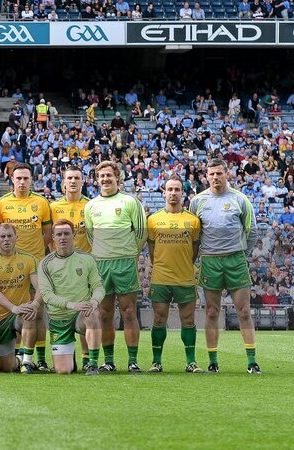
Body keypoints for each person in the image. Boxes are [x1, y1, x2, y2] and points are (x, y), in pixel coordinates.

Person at [189, 159, 261, 374]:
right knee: (211, 312)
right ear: (206, 176)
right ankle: (213, 361)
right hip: (210, 261)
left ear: (226, 174)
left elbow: (253, 231)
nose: (215, 177)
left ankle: (251, 361)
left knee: (244, 311)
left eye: (219, 173)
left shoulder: (240, 199)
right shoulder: (197, 201)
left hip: (235, 260)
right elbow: (194, 235)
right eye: (211, 174)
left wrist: (242, 256)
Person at [83, 161, 146, 373]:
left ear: (117, 177)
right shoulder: (90, 206)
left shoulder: (130, 202)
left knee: (129, 312)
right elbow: (91, 235)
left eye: (109, 175)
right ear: (96, 179)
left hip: (125, 262)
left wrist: (129, 253)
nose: (105, 179)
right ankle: (108, 360)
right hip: (101, 264)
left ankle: (132, 360)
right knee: (104, 314)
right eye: (101, 176)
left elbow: (141, 233)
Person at [0, 164, 52, 368]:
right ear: (12, 179)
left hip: (36, 268)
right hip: (12, 268)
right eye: (18, 178)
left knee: (38, 313)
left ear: (31, 180)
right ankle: (19, 356)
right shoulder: (2, 204)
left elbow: (47, 234)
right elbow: (0, 236)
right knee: (18, 312)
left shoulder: (41, 203)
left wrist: (34, 255)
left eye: (26, 178)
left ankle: (42, 359)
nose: (22, 182)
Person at [147, 178, 202, 373]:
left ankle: (191, 362)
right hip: (161, 277)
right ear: (164, 192)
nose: (173, 193)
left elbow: (194, 249)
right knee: (159, 319)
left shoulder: (193, 221)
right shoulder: (153, 220)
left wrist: (184, 264)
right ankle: (156, 362)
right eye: (169, 189)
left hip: (184, 277)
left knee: (188, 320)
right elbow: (151, 248)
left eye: (177, 189)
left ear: (183, 193)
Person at [36, 219, 104, 375]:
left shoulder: (87, 259)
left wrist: (94, 301)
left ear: (73, 235)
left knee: (93, 314)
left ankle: (92, 364)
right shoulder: (45, 263)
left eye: (67, 233)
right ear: (52, 236)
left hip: (81, 315)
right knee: (64, 370)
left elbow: (98, 287)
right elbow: (46, 295)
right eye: (59, 234)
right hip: (59, 318)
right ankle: (69, 356)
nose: (63, 237)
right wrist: (72, 305)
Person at [0, 224, 42, 373]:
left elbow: (40, 287)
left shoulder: (29, 259)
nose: (6, 239)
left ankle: (27, 362)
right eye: (2, 236)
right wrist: (13, 308)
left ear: (17, 237)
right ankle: (19, 360)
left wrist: (35, 304)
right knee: (6, 367)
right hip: (0, 317)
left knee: (29, 313)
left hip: (21, 312)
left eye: (10, 236)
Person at [49, 165, 92, 365]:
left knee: (85, 312)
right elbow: (49, 237)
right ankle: (60, 355)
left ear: (82, 181)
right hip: (61, 269)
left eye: (77, 178)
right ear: (63, 182)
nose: (73, 181)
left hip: (84, 269)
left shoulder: (91, 206)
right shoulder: (53, 208)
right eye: (69, 178)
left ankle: (86, 358)